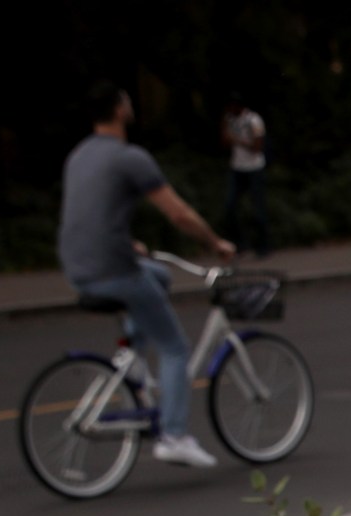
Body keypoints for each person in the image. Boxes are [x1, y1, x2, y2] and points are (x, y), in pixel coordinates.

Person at [58, 83, 235, 468]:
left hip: (78, 268)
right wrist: (214, 242)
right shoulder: (130, 158)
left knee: (158, 276)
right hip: (113, 271)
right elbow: (178, 214)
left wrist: (129, 241)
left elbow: (88, 214)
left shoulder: (78, 156)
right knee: (175, 348)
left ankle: (135, 357)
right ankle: (174, 436)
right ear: (121, 110)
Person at [220, 97, 270, 257]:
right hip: (237, 168)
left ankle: (263, 246)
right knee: (230, 206)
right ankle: (241, 243)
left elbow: (257, 147)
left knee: (257, 208)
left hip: (254, 168)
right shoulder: (230, 119)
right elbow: (224, 141)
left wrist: (237, 140)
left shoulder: (253, 120)